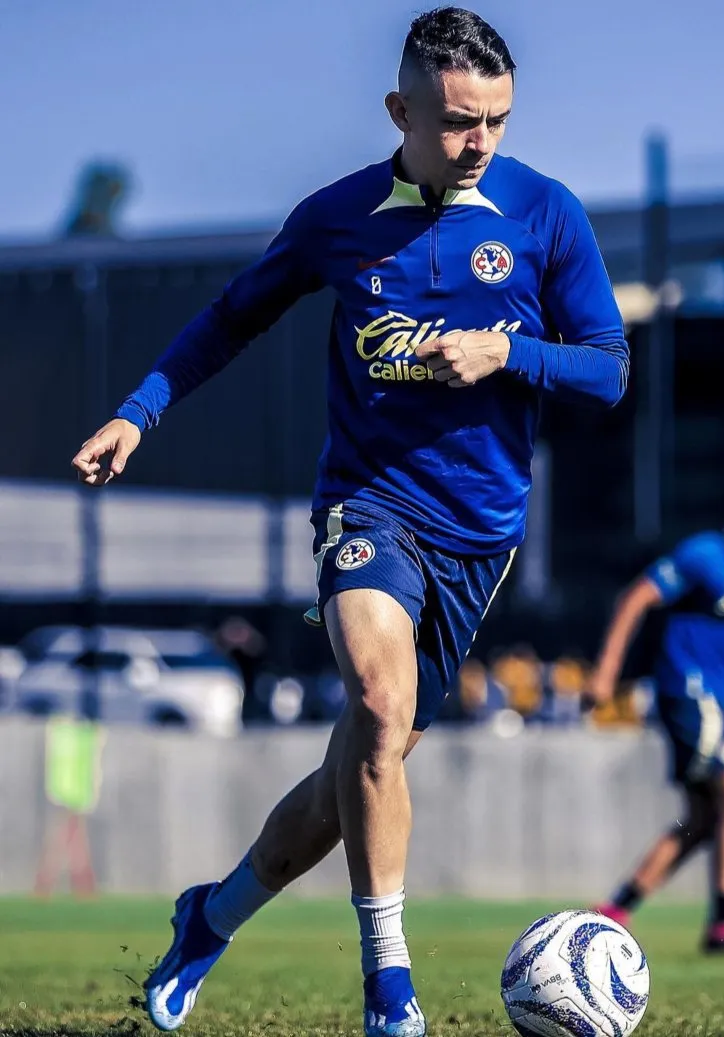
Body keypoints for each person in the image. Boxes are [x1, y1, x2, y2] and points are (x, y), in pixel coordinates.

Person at [71, 8, 628, 1035]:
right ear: (400, 111)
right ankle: (389, 987)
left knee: (354, 777)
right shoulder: (336, 217)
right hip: (368, 503)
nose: (480, 141)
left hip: (481, 536)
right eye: (458, 121)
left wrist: (508, 352)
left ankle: (211, 915)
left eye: (498, 120)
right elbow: (231, 316)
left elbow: (608, 368)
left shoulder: (546, 212)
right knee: (376, 699)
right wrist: (138, 411)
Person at [589, 482, 724, 955]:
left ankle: (614, 911)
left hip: (718, 702)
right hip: (687, 693)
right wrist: (606, 672)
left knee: (705, 817)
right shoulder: (705, 553)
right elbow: (635, 598)